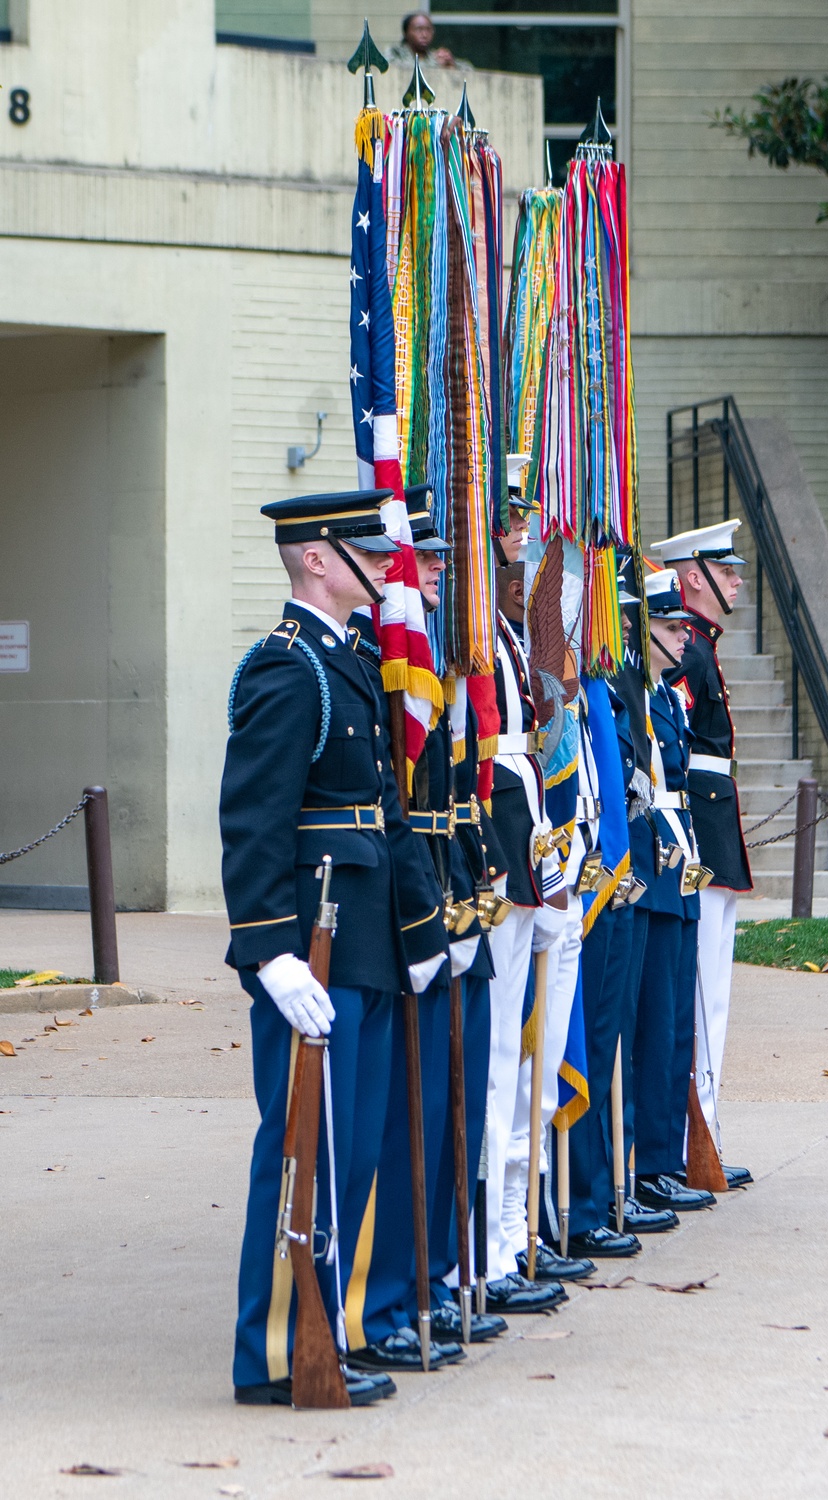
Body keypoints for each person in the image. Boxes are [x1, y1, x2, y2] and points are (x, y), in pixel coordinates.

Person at [220, 489, 451, 1407]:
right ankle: (275, 1351)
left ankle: (329, 1330)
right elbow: (254, 823)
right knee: (299, 1151)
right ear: (318, 558)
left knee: (350, 1151)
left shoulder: (347, 662)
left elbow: (387, 820)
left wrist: (421, 933)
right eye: (364, 549)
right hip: (309, 951)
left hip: (358, 946)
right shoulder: (289, 670)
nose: (383, 565)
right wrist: (268, 952)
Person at [348, 486, 508, 1367]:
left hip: (457, 900)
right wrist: (427, 920)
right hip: (412, 912)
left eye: (445, 563)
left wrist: (478, 890)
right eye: (426, 561)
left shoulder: (437, 661)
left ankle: (440, 1275)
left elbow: (454, 803)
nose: (439, 574)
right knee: (411, 1115)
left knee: (458, 1101)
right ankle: (396, 1291)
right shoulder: (388, 664)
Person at [483, 459, 569, 1312]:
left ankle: (511, 1233)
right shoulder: (474, 635)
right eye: (510, 525)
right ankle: (490, 1245)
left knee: (517, 1053)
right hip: (494, 858)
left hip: (525, 847)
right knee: (498, 1054)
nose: (525, 537)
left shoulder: (509, 637)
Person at [652, 519, 753, 1190]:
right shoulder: (685, 650)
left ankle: (703, 1134)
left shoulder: (699, 647)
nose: (739, 580)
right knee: (699, 996)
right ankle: (695, 1138)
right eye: (728, 569)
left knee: (709, 995)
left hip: (713, 826)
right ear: (695, 577)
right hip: (698, 829)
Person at [630, 567, 714, 1211]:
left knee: (676, 1020)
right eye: (668, 627)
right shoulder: (640, 693)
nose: (683, 638)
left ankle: (668, 1155)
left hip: (678, 856)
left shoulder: (666, 695)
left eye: (685, 627)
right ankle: (649, 1159)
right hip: (654, 863)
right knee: (653, 1021)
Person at [385, 11, 472, 71]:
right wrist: (436, 66)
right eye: (419, 29)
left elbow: (469, 69)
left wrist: (451, 64)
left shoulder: (435, 57)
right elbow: (399, 69)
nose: (424, 34)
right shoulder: (395, 53)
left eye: (428, 29)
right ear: (406, 33)